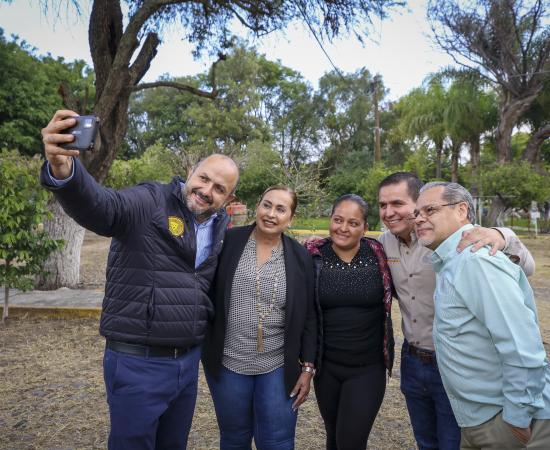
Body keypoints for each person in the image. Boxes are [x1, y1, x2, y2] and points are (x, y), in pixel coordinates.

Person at [40, 110, 240, 450]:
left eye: (219, 188)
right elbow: (104, 207)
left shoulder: (219, 227)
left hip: (187, 364)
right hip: (138, 363)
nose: (207, 191)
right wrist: (64, 170)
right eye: (204, 178)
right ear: (191, 171)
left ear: (229, 199)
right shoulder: (150, 200)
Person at [377, 172, 535, 450]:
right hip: (412, 360)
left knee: (454, 441)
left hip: (454, 364)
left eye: (398, 204)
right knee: (425, 441)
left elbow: (527, 268)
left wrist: (502, 234)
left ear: (417, 203)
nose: (389, 212)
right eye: (382, 205)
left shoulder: (451, 238)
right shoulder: (383, 243)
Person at [414, 181, 550, 449]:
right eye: (416, 213)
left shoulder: (476, 260)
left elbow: (521, 345)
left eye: (430, 210)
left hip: (506, 421)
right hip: (480, 420)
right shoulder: (452, 261)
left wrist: (517, 418)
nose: (419, 218)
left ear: (461, 210)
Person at [202, 185, 317, 450]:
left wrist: (308, 368)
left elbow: (309, 316)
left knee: (277, 441)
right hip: (228, 362)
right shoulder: (228, 241)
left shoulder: (300, 257)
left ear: (291, 218)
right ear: (257, 206)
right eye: (267, 205)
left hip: (277, 365)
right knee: (234, 438)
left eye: (281, 209)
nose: (271, 214)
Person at [304, 194, 394, 450]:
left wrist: (495, 234)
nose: (343, 228)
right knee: (333, 437)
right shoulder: (312, 255)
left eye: (353, 223)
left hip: (367, 368)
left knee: (350, 441)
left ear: (365, 227)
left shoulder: (379, 254)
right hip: (327, 368)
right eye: (338, 220)